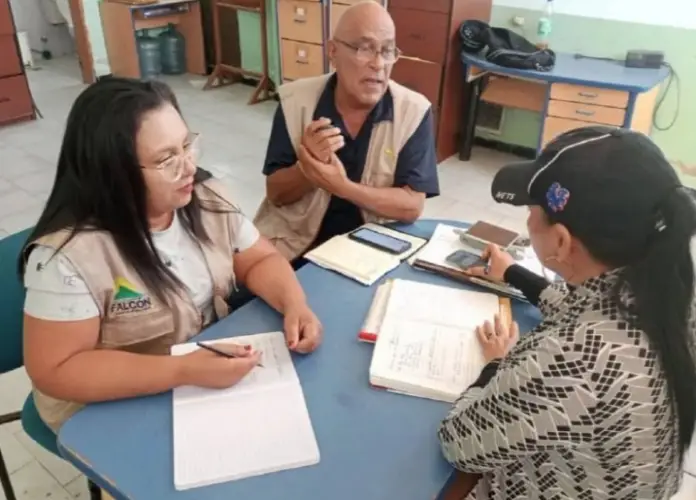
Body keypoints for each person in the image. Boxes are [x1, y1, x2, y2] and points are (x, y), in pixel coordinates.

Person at [20, 78, 322, 432]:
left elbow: (258, 259)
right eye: (166, 159)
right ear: (113, 172)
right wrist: (183, 369)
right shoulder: (67, 258)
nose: (189, 167)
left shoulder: (205, 198)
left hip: (198, 369)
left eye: (186, 146)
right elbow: (58, 370)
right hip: (108, 405)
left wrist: (295, 304)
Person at [438, 126, 696, 499]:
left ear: (560, 241)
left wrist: (497, 366)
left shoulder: (578, 359)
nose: (527, 219)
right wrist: (512, 272)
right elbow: (586, 304)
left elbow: (458, 442)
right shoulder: (668, 293)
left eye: (531, 211)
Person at [254, 1, 439, 265]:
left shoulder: (414, 111)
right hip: (296, 247)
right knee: (245, 299)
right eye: (364, 48)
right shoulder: (295, 101)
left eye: (387, 51)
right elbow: (276, 194)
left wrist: (343, 187)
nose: (378, 64)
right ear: (333, 51)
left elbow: (411, 207)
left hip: (371, 251)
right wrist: (307, 168)